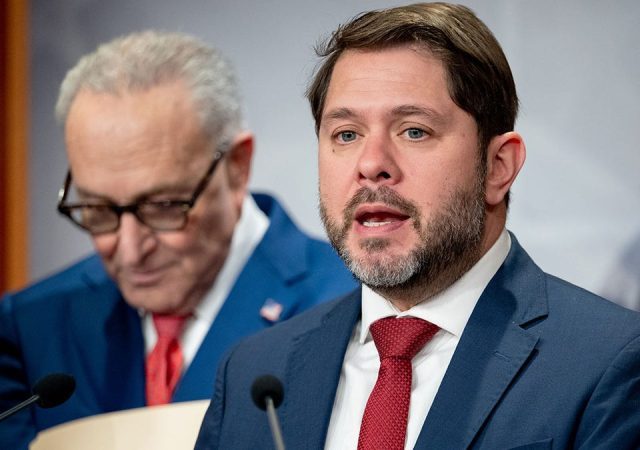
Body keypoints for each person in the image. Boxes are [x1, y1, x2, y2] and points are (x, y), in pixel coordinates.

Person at [195, 3, 640, 449]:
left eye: (414, 131)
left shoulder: (607, 363)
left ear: (498, 166)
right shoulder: (251, 373)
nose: (371, 164)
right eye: (347, 134)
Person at [0, 30, 356, 449]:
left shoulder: (354, 307)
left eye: (164, 206)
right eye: (98, 209)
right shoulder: (32, 325)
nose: (130, 250)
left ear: (237, 166)